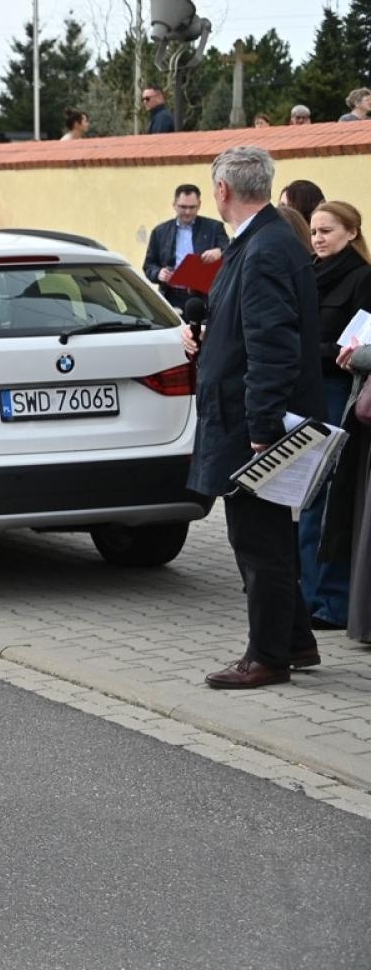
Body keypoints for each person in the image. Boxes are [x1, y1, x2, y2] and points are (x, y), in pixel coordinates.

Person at [183, 146, 324, 689]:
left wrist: (263, 430)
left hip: (252, 426)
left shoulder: (263, 248)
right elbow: (247, 326)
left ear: (221, 190)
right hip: (248, 417)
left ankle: (266, 657)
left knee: (256, 541)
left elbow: (272, 347)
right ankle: (295, 639)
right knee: (267, 539)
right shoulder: (266, 240)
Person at [300, 201, 371, 633]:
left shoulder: (362, 279)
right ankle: (310, 596)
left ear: (351, 232)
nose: (318, 238)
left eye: (327, 230)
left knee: (330, 498)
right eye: (313, 231)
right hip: (306, 393)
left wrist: (314, 353)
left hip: (338, 393)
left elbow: (357, 346)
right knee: (307, 497)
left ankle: (332, 601)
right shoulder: (306, 275)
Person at [142, 184, 229, 315]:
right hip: (171, 297)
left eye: (192, 207)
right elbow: (149, 265)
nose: (187, 212)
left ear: (199, 205)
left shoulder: (214, 228)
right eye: (183, 207)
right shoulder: (160, 232)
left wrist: (220, 252)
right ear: (174, 205)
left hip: (204, 298)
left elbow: (232, 252)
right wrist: (158, 273)